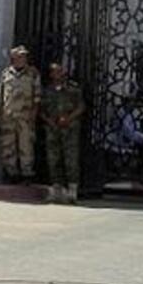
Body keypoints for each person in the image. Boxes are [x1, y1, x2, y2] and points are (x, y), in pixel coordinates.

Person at [40, 63, 85, 203]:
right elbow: (41, 110)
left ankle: (72, 190)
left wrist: (69, 118)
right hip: (53, 129)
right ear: (51, 74)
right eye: (55, 72)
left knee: (71, 159)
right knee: (53, 160)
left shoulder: (73, 89)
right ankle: (56, 190)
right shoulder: (47, 91)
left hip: (70, 129)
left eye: (60, 71)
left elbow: (81, 107)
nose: (58, 74)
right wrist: (49, 122)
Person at [0, 46, 40, 183]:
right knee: (8, 146)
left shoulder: (33, 73)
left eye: (24, 56)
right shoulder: (6, 73)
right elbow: (0, 94)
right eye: (20, 56)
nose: (23, 58)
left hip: (25, 116)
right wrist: (0, 111)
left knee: (26, 145)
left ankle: (27, 174)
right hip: (8, 116)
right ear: (13, 58)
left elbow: (37, 96)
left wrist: (34, 113)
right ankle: (11, 174)